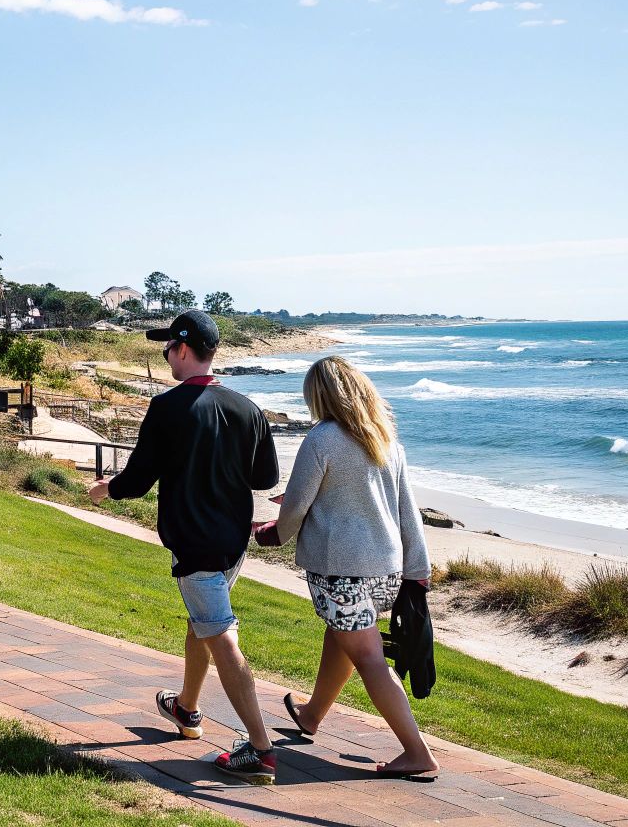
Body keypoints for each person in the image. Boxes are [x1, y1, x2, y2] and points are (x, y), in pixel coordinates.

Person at [87, 310, 282, 784]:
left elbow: (136, 482)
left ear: (183, 348)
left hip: (193, 544)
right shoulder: (247, 409)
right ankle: (187, 709)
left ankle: (260, 750)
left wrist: (104, 490)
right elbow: (266, 478)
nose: (165, 356)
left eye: (167, 348)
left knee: (220, 633)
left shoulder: (167, 408)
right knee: (203, 624)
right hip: (235, 541)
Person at [269, 355, 437, 780]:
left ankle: (418, 752)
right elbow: (406, 510)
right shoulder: (386, 441)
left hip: (341, 570)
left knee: (367, 655)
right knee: (342, 633)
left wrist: (273, 533)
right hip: (386, 570)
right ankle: (311, 714)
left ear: (320, 396)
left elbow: (295, 507)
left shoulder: (321, 439)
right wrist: (418, 568)